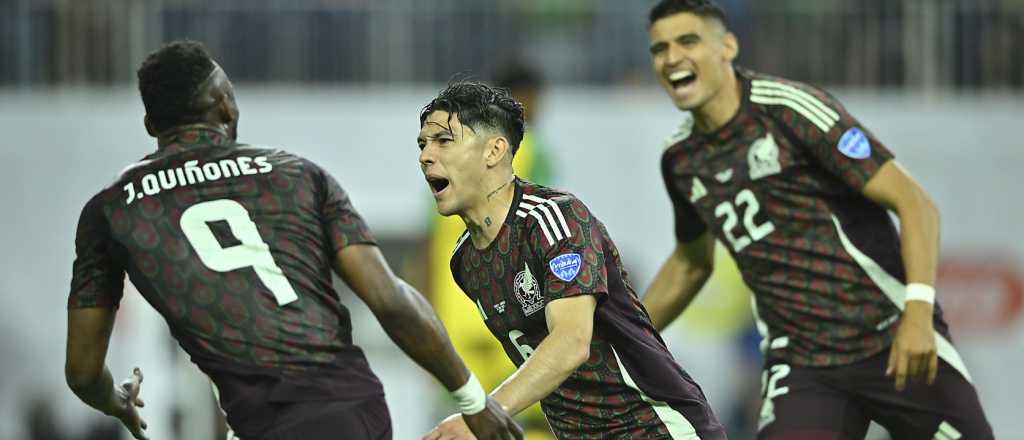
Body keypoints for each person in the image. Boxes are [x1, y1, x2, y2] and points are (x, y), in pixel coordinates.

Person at [64, 40, 522, 440]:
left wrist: (115, 400)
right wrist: (474, 401)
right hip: (353, 413)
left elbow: (83, 371)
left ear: (150, 124)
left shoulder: (112, 211)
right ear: (225, 104)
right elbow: (390, 300)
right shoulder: (297, 176)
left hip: (263, 422)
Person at [641, 1, 993, 439]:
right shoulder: (680, 159)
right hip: (803, 364)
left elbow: (915, 204)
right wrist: (621, 337)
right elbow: (692, 262)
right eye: (659, 49)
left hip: (890, 335)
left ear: (727, 46)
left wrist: (918, 313)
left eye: (688, 41)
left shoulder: (791, 111)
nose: (672, 57)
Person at [418, 81, 725, 439]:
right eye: (423, 144)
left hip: (654, 429)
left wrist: (480, 415)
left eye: (443, 141)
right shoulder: (465, 262)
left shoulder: (556, 219)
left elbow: (571, 342)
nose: (426, 155)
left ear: (494, 151)